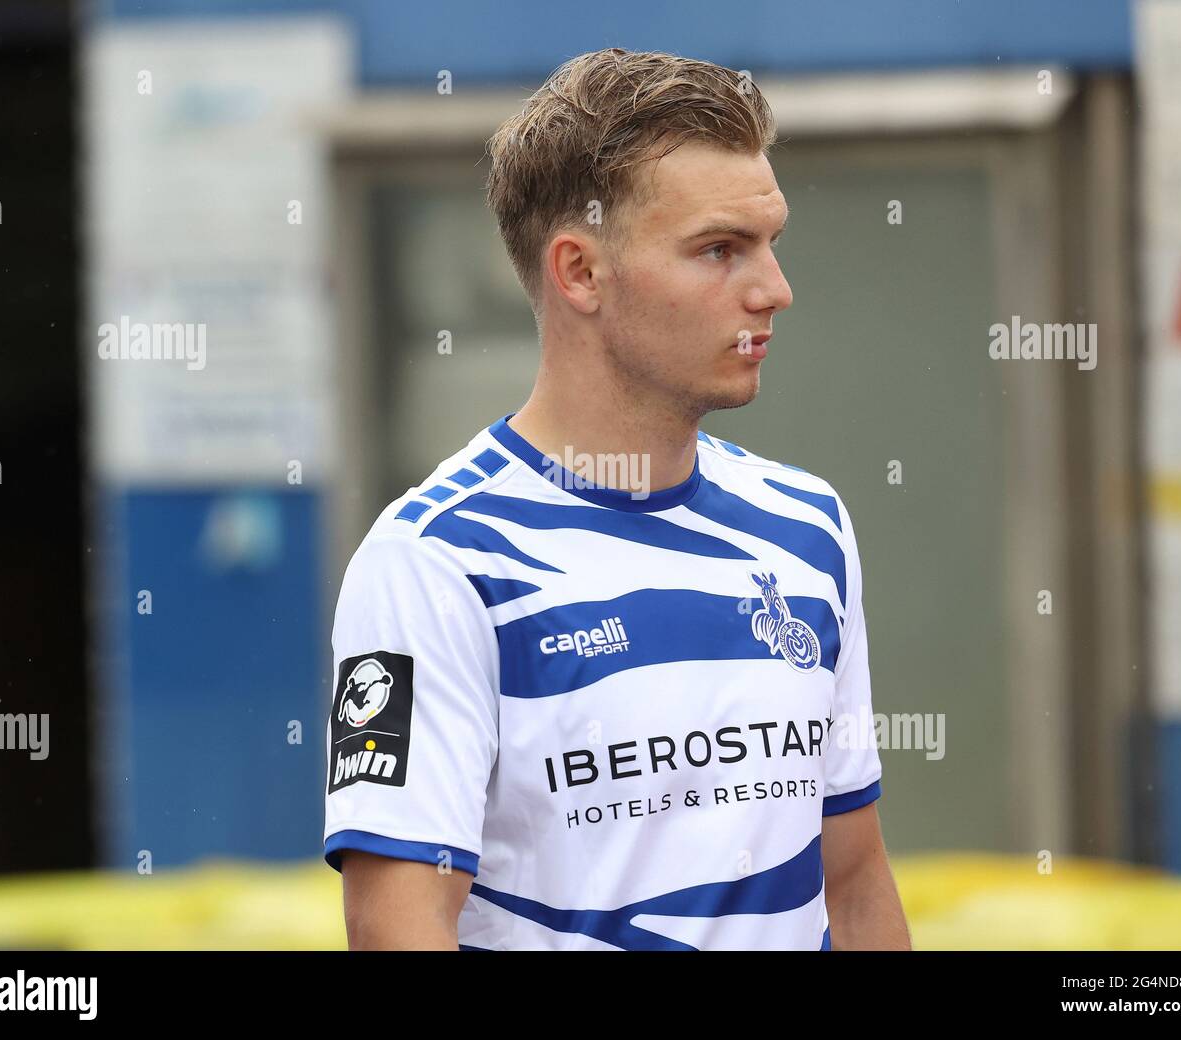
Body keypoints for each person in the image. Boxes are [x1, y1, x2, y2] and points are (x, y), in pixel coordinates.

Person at [323, 47, 910, 951]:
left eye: (771, 245)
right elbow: (395, 928)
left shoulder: (809, 528)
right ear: (580, 272)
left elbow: (856, 881)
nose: (775, 290)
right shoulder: (433, 563)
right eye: (720, 249)